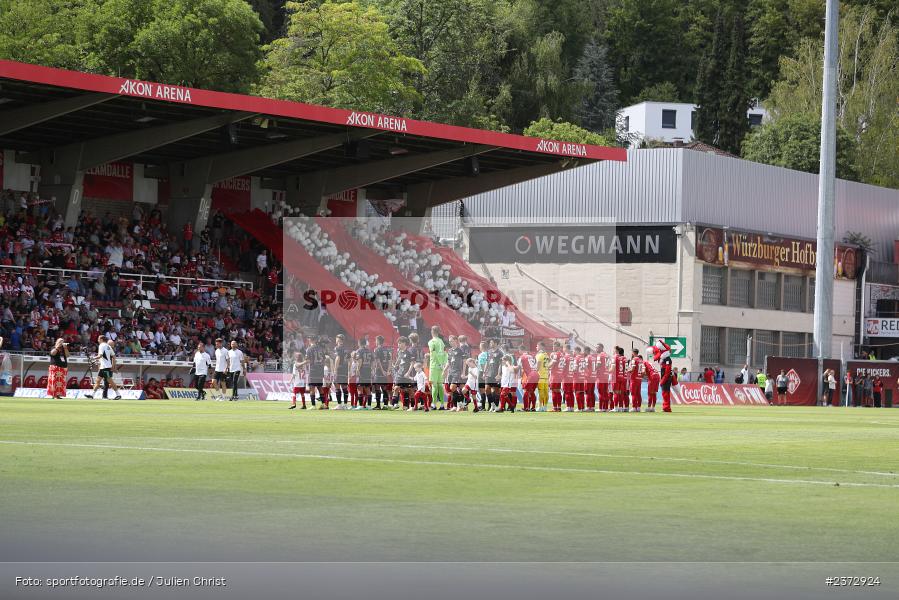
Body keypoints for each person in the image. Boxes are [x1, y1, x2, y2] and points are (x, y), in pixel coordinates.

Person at [86, 335, 121, 400]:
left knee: (110, 381)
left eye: (98, 339)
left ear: (101, 339)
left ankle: (118, 394)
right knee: (98, 381)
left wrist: (92, 358)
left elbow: (100, 355)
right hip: (104, 367)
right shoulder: (108, 346)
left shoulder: (101, 345)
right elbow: (113, 356)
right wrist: (113, 366)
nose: (98, 340)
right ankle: (92, 395)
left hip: (105, 367)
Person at [427, 326, 448, 410]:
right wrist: (443, 364)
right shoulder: (441, 341)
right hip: (441, 366)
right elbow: (445, 354)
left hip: (434, 365)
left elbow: (434, 353)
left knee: (434, 386)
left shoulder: (431, 342)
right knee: (440, 385)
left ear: (432, 331)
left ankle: (434, 404)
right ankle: (442, 404)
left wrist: (439, 363)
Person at [535, 341, 550, 412]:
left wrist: (534, 372)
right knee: (545, 392)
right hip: (546, 376)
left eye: (537, 346)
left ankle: (540, 407)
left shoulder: (539, 355)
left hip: (540, 376)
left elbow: (537, 367)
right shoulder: (547, 355)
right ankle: (545, 407)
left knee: (540, 392)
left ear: (541, 346)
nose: (536, 347)